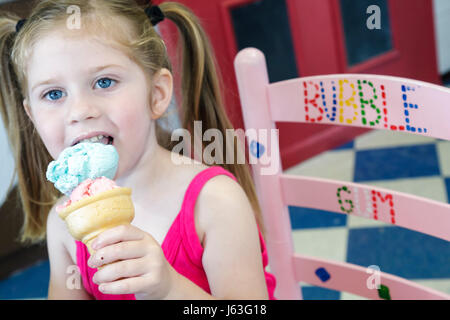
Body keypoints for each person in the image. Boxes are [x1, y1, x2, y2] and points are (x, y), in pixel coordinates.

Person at [0, 0, 276, 300]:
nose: (79, 110)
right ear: (31, 115)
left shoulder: (215, 203)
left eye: (104, 82)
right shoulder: (65, 223)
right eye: (53, 94)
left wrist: (171, 288)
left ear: (156, 94)